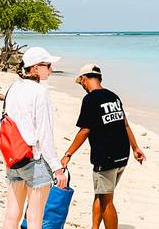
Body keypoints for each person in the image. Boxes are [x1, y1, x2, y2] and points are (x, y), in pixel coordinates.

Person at [60, 63, 146, 229]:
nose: (82, 86)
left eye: (81, 83)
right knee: (100, 194)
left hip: (105, 157)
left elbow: (85, 130)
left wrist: (68, 154)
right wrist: (135, 148)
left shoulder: (90, 99)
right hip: (123, 154)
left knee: (107, 201)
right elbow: (125, 125)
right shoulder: (113, 96)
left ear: (84, 79)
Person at [2, 47, 68, 229]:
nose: (51, 70)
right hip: (34, 159)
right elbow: (44, 133)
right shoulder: (40, 92)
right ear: (36, 68)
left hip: (13, 156)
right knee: (35, 218)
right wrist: (57, 168)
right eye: (48, 65)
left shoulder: (13, 88)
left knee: (11, 215)